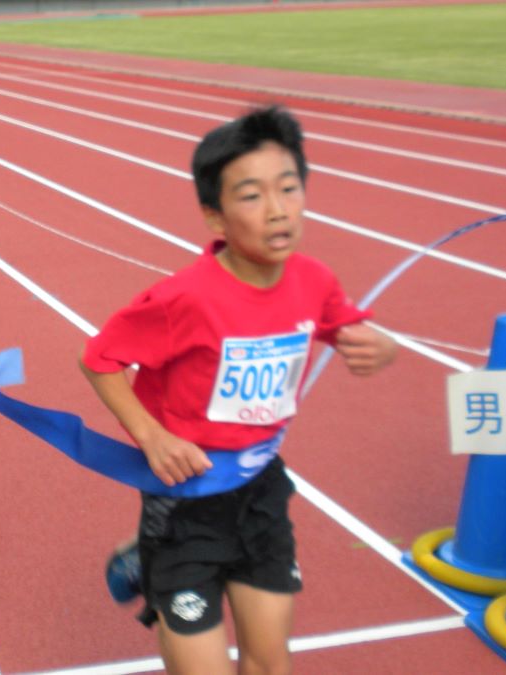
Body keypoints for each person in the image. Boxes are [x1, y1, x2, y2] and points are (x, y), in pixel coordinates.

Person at [80, 106, 397, 674]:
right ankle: (153, 552)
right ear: (216, 218)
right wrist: (152, 438)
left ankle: (146, 558)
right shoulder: (184, 300)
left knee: (270, 663)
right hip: (184, 501)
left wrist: (378, 345)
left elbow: (346, 324)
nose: (278, 210)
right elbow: (99, 359)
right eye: (251, 196)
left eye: (289, 188)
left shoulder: (314, 279)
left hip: (260, 492)